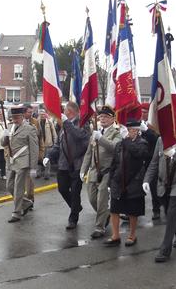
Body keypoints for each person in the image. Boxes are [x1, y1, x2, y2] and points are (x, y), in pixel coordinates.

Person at [144, 133, 176, 262]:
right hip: (163, 182)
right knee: (169, 212)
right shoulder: (161, 140)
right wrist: (147, 180)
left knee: (172, 214)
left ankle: (165, 250)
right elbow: (154, 162)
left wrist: (174, 154)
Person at [44, 102, 90, 229]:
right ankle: (76, 207)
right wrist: (48, 155)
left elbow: (79, 135)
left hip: (77, 164)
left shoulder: (83, 123)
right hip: (64, 164)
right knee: (62, 189)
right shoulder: (64, 125)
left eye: (65, 110)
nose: (63, 113)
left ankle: (73, 218)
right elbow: (58, 144)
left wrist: (67, 123)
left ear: (71, 111)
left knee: (75, 192)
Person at [105, 120, 149, 247]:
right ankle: (115, 235)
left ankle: (132, 235)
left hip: (133, 181)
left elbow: (139, 153)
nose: (129, 132)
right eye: (128, 130)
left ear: (137, 131)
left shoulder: (142, 143)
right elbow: (114, 163)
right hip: (118, 181)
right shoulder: (120, 144)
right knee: (114, 209)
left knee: (132, 211)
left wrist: (127, 142)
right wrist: (110, 181)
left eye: (131, 130)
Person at [80, 105, 121, 239]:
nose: (102, 119)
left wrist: (101, 139)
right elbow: (88, 153)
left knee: (102, 199)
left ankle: (100, 227)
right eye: (101, 116)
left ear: (112, 119)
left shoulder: (116, 133)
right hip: (93, 171)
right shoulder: (96, 132)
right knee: (92, 199)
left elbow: (115, 147)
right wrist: (83, 170)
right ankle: (105, 215)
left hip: (107, 171)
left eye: (106, 117)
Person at [1, 106, 39, 222]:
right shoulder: (10, 127)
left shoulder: (30, 129)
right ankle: (26, 203)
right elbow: (3, 144)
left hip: (23, 161)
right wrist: (5, 135)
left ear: (22, 116)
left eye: (17, 117)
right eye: (13, 117)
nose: (15, 120)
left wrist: (33, 167)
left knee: (18, 188)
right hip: (11, 161)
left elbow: (34, 149)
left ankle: (17, 213)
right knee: (9, 186)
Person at [139, 102, 162, 219]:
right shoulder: (137, 123)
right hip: (138, 160)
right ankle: (136, 211)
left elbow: (156, 138)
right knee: (137, 188)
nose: (143, 114)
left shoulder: (154, 124)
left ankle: (156, 209)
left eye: (145, 112)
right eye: (141, 112)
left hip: (151, 159)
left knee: (153, 187)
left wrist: (146, 130)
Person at [23, 103, 40, 203]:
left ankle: (30, 199)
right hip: (20, 155)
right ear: (24, 112)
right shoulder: (18, 122)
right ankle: (23, 200)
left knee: (29, 181)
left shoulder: (35, 122)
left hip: (31, 154)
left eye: (32, 112)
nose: (31, 114)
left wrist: (40, 153)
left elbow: (40, 138)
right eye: (29, 112)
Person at [38, 109, 57, 180]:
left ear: (45, 115)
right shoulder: (37, 123)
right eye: (41, 114)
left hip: (48, 144)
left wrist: (55, 143)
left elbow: (54, 133)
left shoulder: (49, 122)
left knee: (47, 160)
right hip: (40, 145)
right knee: (39, 159)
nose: (42, 116)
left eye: (43, 114)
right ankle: (38, 173)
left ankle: (47, 174)